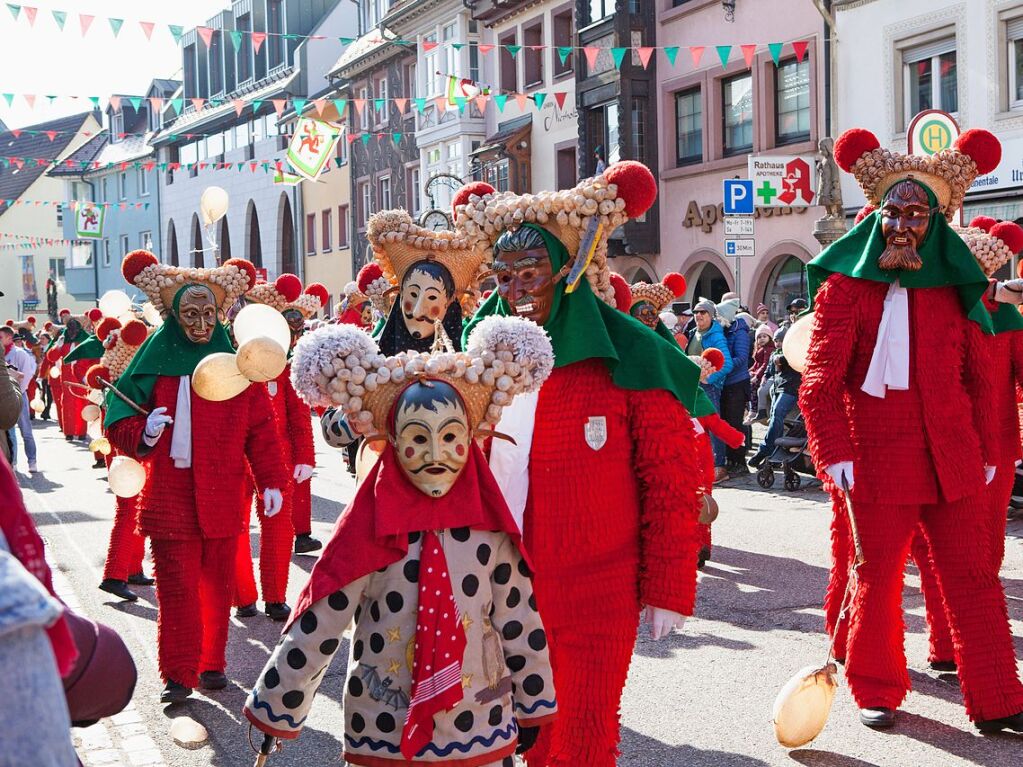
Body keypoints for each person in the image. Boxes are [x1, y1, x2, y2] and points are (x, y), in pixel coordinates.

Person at [457, 161, 707, 766]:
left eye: (531, 275)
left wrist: (668, 585)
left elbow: (672, 478)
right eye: (505, 276)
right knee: (507, 731)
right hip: (493, 581)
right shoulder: (478, 351)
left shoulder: (630, 352)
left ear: (566, 272)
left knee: (585, 727)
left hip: (599, 584)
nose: (515, 292)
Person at [247, 315, 558, 765]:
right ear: (392, 441)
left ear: (469, 439)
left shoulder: (488, 528)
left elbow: (519, 618)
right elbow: (321, 619)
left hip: (478, 724)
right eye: (417, 438)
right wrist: (278, 707)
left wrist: (533, 704)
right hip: (384, 726)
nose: (435, 454)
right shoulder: (369, 527)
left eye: (450, 437)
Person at [800, 126, 1023, 732]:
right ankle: (875, 687)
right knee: (876, 574)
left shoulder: (954, 286)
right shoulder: (848, 288)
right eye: (893, 212)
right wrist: (834, 450)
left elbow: (979, 376)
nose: (904, 225)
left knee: (974, 574)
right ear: (876, 214)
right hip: (875, 453)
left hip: (952, 454)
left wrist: (982, 449)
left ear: (936, 220)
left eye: (917, 214)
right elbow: (819, 378)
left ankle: (999, 696)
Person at [106, 249, 287, 703]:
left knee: (216, 587)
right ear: (175, 317)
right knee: (177, 589)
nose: (202, 323)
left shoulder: (237, 368)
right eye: (191, 314)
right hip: (169, 497)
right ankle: (178, 672)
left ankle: (212, 664)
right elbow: (119, 419)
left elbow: (261, 431)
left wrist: (272, 483)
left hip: (223, 496)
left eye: (209, 313)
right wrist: (142, 432)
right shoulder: (152, 364)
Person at [234, 274, 328, 621]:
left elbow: (298, 414)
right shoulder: (230, 362)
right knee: (236, 530)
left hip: (281, 459)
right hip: (237, 462)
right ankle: (243, 596)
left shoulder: (283, 366)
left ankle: (275, 596)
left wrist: (304, 455)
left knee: (278, 530)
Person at [82, 317, 153, 603]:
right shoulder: (124, 385)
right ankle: (114, 574)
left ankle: (133, 567)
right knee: (128, 509)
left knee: (138, 508)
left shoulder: (119, 383)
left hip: (131, 448)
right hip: (128, 450)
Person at [686, 299, 733, 481]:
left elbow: (726, 362)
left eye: (703, 312)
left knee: (713, 426)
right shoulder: (693, 333)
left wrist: (708, 378)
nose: (698, 315)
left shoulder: (715, 336)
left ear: (711, 315)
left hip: (708, 388)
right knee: (696, 426)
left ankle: (720, 467)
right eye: (696, 312)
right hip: (692, 386)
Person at [748, 328, 801, 468]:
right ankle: (773, 452)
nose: (778, 343)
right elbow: (770, 370)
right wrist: (765, 376)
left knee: (777, 415)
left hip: (790, 388)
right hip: (778, 388)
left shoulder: (792, 351)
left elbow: (793, 362)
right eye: (776, 340)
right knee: (774, 419)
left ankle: (764, 450)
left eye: (781, 341)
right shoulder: (774, 353)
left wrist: (782, 358)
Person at [716, 298, 752, 473]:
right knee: (726, 423)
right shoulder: (726, 330)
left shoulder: (740, 332)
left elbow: (742, 357)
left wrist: (723, 364)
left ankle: (739, 461)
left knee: (735, 423)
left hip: (737, 383)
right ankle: (730, 459)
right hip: (726, 382)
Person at [2, 324, 38, 473]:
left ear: (9, 338)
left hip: (19, 394)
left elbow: (27, 374)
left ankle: (32, 460)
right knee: (9, 433)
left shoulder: (20, 353)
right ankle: (13, 462)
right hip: (3, 397)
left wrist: (18, 392)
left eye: (0, 337)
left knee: (26, 431)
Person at [746, 323, 776, 424]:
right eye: (759, 337)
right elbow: (756, 364)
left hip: (766, 374)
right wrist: (749, 371)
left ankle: (754, 410)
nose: (762, 339)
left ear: (770, 337)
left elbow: (765, 365)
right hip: (759, 372)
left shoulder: (769, 349)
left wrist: (756, 376)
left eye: (764, 336)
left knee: (753, 386)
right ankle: (749, 408)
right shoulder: (760, 349)